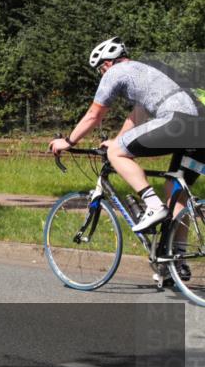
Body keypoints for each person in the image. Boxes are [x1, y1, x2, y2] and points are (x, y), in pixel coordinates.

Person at [49, 37, 205, 235]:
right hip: (199, 127)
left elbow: (93, 115)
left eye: (100, 71)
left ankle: (153, 206)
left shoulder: (115, 72)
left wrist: (69, 141)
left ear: (107, 63)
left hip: (176, 119)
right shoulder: (146, 73)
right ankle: (177, 261)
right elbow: (135, 118)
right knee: (174, 191)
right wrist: (116, 141)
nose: (102, 75)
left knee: (116, 154)